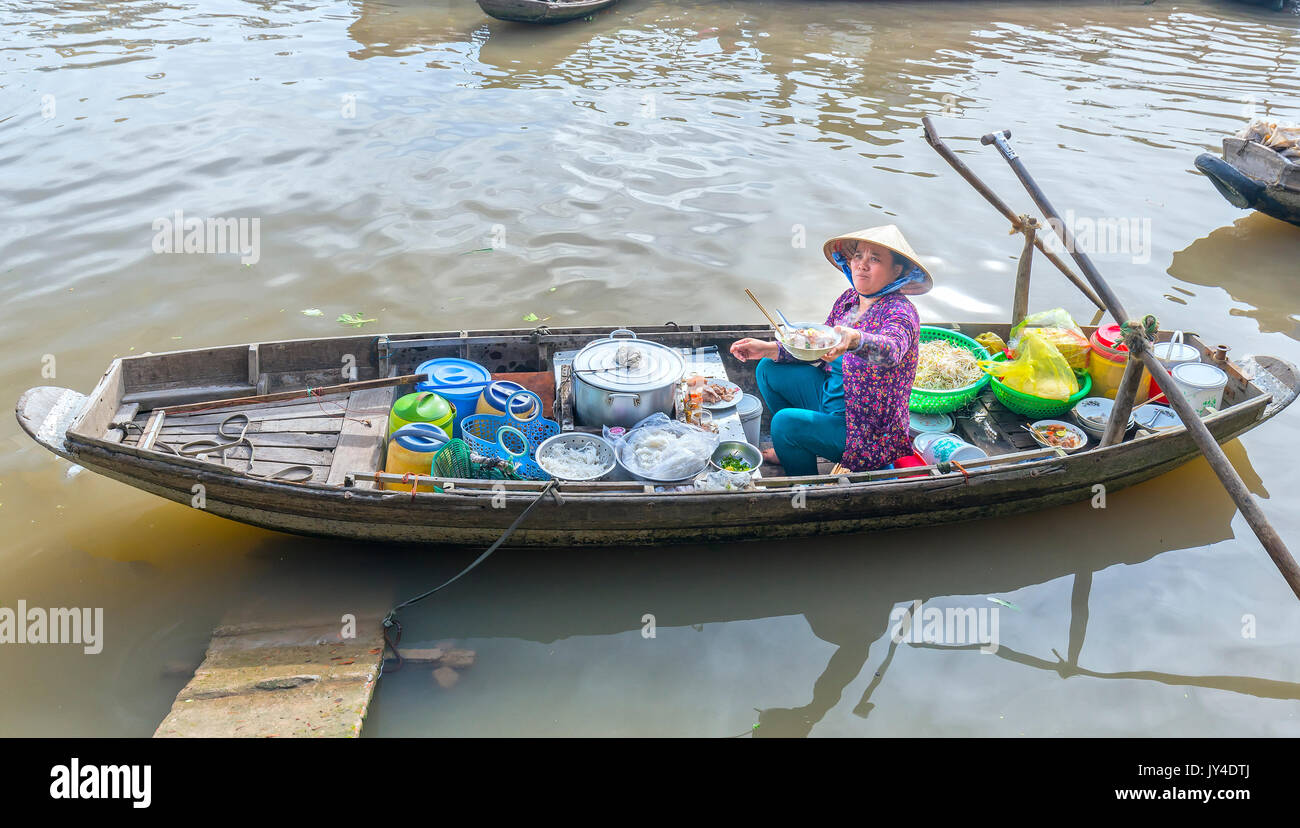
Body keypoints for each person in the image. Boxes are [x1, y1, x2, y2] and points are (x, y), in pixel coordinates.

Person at [729, 225, 930, 476]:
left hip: (867, 432)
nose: (862, 265)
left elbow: (892, 350)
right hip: (831, 401)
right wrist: (769, 348)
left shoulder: (900, 313)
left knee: (784, 424)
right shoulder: (849, 300)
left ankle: (807, 488)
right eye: (858, 256)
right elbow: (817, 347)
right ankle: (791, 447)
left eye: (875, 259)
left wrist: (855, 339)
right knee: (769, 368)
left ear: (897, 271)